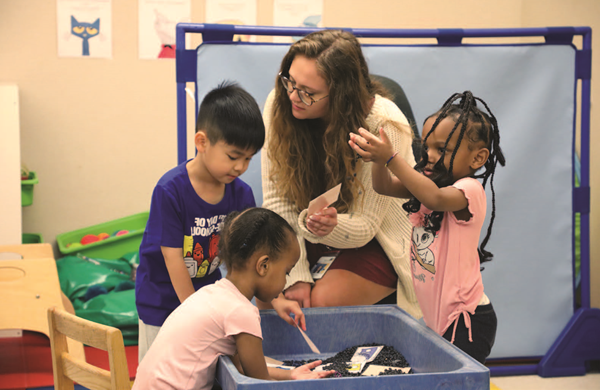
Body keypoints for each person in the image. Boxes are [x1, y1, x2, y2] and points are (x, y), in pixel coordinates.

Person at [135, 82, 303, 363]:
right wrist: (196, 314)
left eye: (248, 158)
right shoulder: (170, 191)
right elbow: (174, 260)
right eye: (233, 156)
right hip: (162, 305)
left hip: (208, 303)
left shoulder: (241, 194)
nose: (240, 167)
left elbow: (252, 262)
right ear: (202, 142)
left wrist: (276, 300)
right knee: (161, 370)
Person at [260, 29, 421, 318]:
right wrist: (296, 274)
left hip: (376, 240)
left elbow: (366, 226)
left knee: (320, 303)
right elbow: (276, 200)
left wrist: (330, 227)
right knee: (263, 288)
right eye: (290, 82)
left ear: (341, 96)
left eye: (308, 93)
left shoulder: (384, 124)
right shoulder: (279, 103)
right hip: (311, 231)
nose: (294, 96)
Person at [349, 91, 505, 363]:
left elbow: (433, 198)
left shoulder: (468, 190)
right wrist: (377, 160)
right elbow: (383, 186)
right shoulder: (428, 186)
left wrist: (391, 159)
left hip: (466, 319)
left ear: (478, 158)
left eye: (442, 149)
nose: (430, 156)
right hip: (437, 317)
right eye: (427, 147)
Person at [132, 208, 335, 390]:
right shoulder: (242, 312)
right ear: (263, 265)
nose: (285, 282)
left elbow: (240, 365)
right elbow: (259, 382)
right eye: (287, 272)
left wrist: (291, 374)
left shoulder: (211, 294)